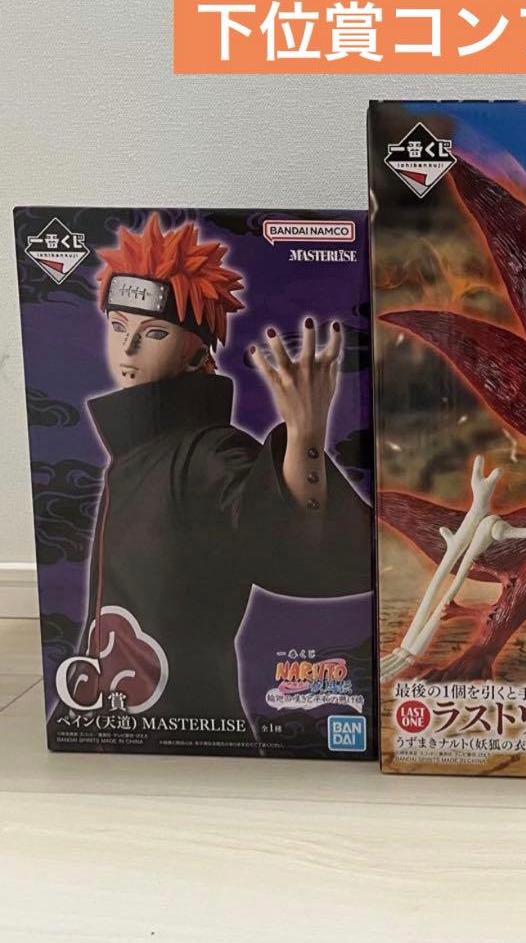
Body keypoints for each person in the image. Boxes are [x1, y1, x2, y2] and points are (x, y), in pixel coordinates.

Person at [54, 214, 370, 741]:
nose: (127, 349)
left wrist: (305, 435)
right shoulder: (134, 454)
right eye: (119, 326)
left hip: (186, 723)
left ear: (197, 352)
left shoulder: (207, 451)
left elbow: (280, 532)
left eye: (154, 332)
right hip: (111, 718)